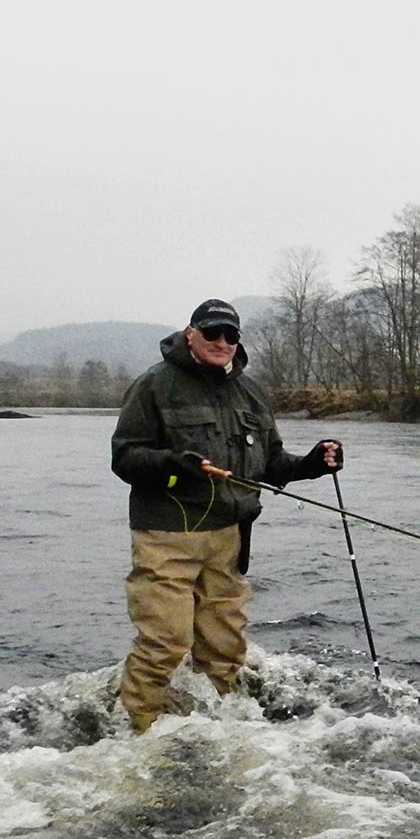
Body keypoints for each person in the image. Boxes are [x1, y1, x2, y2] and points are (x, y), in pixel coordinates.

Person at [110, 298, 343, 734]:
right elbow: (124, 458)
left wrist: (313, 464)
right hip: (167, 536)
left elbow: (272, 464)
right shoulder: (155, 386)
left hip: (229, 540)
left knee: (224, 647)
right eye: (213, 333)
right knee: (165, 642)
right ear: (191, 334)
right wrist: (171, 463)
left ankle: (220, 730)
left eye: (230, 335)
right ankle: (137, 733)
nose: (222, 342)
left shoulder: (250, 392)